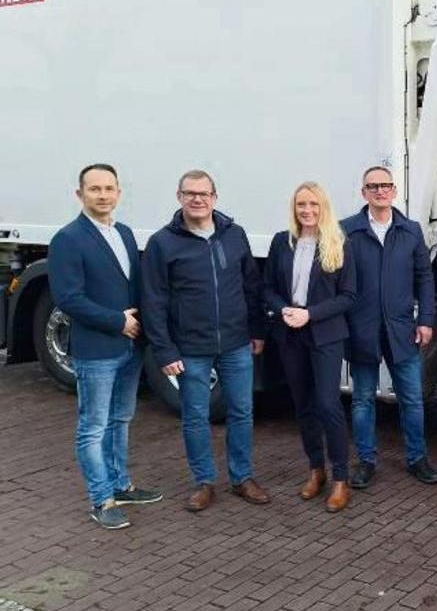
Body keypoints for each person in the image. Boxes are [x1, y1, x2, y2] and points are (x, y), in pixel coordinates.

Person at [142, 169, 270, 512]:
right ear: (179, 197)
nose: (197, 199)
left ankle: (242, 477)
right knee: (196, 416)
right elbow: (153, 301)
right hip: (190, 348)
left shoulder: (234, 235)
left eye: (204, 193)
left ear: (214, 197)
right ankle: (204, 482)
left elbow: (251, 286)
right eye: (190, 193)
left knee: (242, 411)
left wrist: (257, 330)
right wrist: (164, 350)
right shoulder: (162, 243)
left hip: (236, 343)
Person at [49, 163, 163, 530]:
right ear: (79, 194)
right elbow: (68, 298)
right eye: (95, 189)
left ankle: (120, 485)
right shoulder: (67, 239)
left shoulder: (124, 233)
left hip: (129, 348)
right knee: (93, 427)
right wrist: (117, 321)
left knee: (121, 419)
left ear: (118, 193)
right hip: (97, 349)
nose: (103, 195)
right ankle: (101, 499)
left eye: (109, 188)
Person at [342, 165, 437, 488]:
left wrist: (426, 320)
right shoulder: (347, 231)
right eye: (373, 186)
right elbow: (338, 281)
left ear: (394, 191)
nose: (380, 191)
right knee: (362, 400)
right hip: (362, 329)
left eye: (385, 185)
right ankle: (366, 461)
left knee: (411, 399)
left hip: (401, 329)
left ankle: (417, 458)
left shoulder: (410, 230)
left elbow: (424, 278)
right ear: (364, 193)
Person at [264, 182, 357, 512]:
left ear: (323, 207)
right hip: (291, 335)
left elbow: (348, 296)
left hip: (325, 335)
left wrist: (310, 314)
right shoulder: (282, 241)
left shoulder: (339, 242)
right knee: (302, 405)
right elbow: (268, 288)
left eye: (313, 204)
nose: (307, 210)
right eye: (301, 204)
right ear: (294, 208)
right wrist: (283, 309)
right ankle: (316, 470)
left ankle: (341, 479)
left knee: (328, 405)